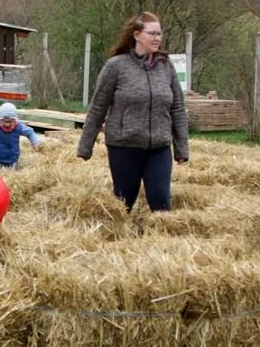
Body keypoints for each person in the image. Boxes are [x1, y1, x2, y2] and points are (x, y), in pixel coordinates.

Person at [76, 11, 189, 212]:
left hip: (159, 147)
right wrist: (86, 147)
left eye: (159, 34)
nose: (157, 38)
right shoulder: (116, 66)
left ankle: (160, 241)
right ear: (137, 35)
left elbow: (178, 108)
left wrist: (181, 148)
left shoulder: (166, 66)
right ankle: (120, 241)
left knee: (161, 202)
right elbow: (98, 107)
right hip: (124, 147)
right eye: (152, 33)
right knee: (123, 203)